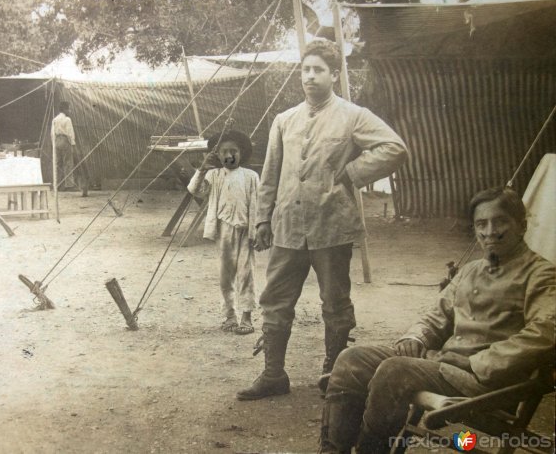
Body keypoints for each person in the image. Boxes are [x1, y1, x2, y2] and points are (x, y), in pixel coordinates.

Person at [318, 187, 555, 453]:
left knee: (395, 370)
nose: (490, 231)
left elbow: (545, 334)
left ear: (521, 226)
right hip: (444, 367)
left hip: (487, 383)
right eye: (481, 223)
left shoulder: (541, 274)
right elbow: (437, 314)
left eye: (500, 221)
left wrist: (475, 362)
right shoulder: (471, 270)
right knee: (352, 359)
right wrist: (416, 336)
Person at [238, 39, 408, 401]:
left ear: (335, 74)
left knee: (335, 301)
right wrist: (262, 220)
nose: (310, 77)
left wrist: (352, 171)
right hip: (286, 225)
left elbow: (395, 147)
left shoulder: (353, 115)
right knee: (275, 299)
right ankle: (273, 374)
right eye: (306, 70)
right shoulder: (284, 120)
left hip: (331, 225)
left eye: (319, 70)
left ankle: (334, 373)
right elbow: (270, 175)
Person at [187, 130, 260, 335]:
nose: (229, 156)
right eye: (224, 152)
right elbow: (194, 189)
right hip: (223, 230)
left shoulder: (251, 176)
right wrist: (202, 169)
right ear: (217, 155)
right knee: (225, 276)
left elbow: (258, 205)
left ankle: (246, 316)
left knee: (246, 274)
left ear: (241, 153)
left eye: (234, 151)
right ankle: (229, 316)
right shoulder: (213, 175)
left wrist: (257, 231)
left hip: (245, 231)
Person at [52, 101, 77, 191]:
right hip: (65, 140)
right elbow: (70, 133)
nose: (69, 110)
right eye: (69, 108)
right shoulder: (67, 119)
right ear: (65, 109)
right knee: (68, 163)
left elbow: (52, 133)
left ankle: (58, 185)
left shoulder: (55, 119)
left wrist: (54, 143)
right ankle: (69, 185)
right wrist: (72, 143)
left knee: (58, 164)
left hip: (57, 141)